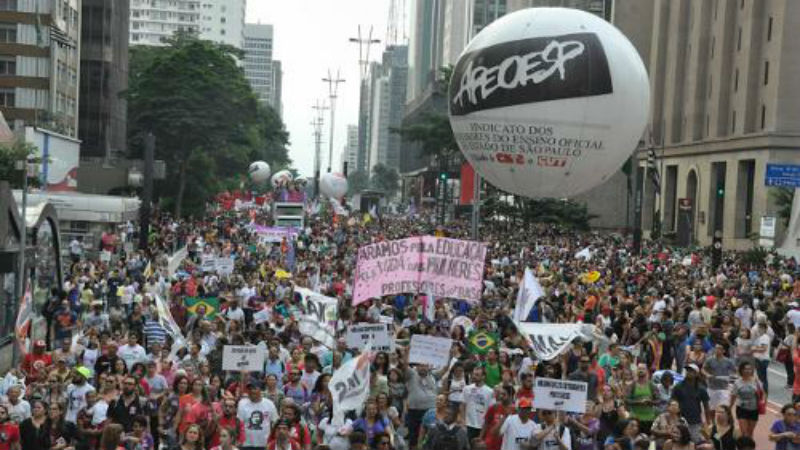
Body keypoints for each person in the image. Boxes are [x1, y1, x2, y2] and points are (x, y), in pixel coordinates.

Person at [672, 364, 711, 444]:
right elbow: (673, 403)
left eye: (691, 371)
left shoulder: (701, 389)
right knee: (680, 442)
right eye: (688, 370)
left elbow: (706, 407)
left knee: (695, 442)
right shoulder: (678, 387)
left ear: (696, 374)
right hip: (680, 420)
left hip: (695, 421)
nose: (689, 372)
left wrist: (708, 422)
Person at [237, 381, 278, 450]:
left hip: (265, 444)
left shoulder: (269, 404)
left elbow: (275, 422)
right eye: (250, 389)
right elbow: (239, 423)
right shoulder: (242, 403)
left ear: (260, 390)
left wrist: (272, 440)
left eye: (254, 388)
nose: (252, 391)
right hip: (246, 444)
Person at [730, 362, 762, 439]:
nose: (747, 371)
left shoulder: (756, 381)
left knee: (750, 432)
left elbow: (762, 393)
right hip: (741, 408)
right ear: (741, 370)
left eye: (749, 369)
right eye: (745, 369)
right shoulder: (737, 382)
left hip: (754, 409)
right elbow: (733, 396)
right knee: (744, 432)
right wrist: (729, 407)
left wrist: (761, 404)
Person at [462, 365, 494, 441]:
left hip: (482, 426)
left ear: (483, 377)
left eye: (477, 375)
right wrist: (463, 422)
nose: (474, 376)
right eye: (473, 374)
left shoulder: (490, 391)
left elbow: (491, 412)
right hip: (468, 425)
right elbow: (462, 405)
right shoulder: (467, 388)